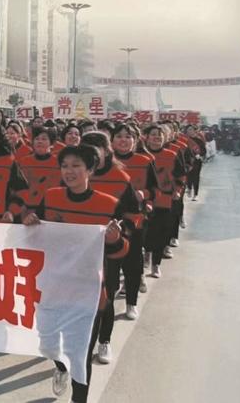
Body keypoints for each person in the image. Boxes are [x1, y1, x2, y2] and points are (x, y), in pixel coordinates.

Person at [22, 145, 130, 403]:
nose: (69, 171)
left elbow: (121, 252)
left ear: (90, 170)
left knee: (81, 353)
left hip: (88, 293)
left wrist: (115, 240)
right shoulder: (51, 197)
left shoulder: (108, 204)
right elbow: (33, 233)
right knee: (50, 344)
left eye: (76, 166)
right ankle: (60, 366)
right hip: (53, 288)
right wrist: (28, 222)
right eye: (65, 166)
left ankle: (79, 399)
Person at [80, 132, 142, 364]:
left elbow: (134, 215)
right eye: (86, 146)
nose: (92, 151)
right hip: (78, 251)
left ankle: (104, 340)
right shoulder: (75, 174)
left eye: (97, 147)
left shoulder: (120, 178)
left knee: (105, 296)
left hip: (107, 251)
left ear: (107, 150)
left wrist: (118, 231)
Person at [110, 122, 158, 306]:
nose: (124, 140)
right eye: (119, 136)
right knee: (111, 266)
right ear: (112, 141)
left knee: (132, 263)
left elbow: (155, 190)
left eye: (128, 136)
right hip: (109, 221)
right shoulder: (106, 162)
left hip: (135, 220)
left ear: (135, 140)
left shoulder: (145, 161)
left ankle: (131, 303)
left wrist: (143, 195)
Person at [143, 124, 185, 278]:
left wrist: (178, 192)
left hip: (165, 200)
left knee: (161, 232)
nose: (156, 138)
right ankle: (146, 255)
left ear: (165, 138)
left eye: (159, 135)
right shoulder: (142, 156)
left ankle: (156, 265)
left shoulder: (172, 154)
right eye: (153, 135)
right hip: (145, 201)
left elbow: (181, 176)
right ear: (146, 138)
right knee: (146, 232)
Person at [16, 126, 62, 210]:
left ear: (51, 143)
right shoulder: (24, 161)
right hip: (26, 207)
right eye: (37, 139)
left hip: (50, 207)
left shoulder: (59, 163)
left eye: (44, 139)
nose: (40, 141)